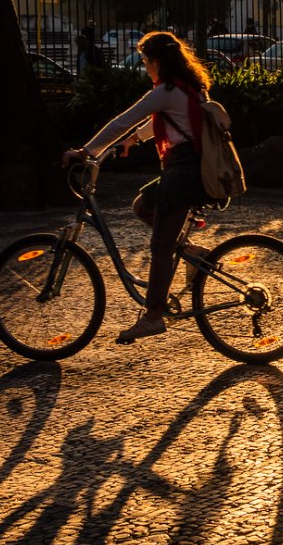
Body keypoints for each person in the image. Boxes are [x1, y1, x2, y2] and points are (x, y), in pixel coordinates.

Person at [63, 31, 213, 343]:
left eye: (146, 61)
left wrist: (86, 151)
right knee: (143, 205)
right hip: (187, 167)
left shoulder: (167, 90)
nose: (145, 67)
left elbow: (124, 120)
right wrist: (133, 141)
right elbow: (168, 122)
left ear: (157, 61)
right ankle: (194, 256)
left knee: (160, 246)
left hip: (183, 171)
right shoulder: (185, 87)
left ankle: (154, 315)